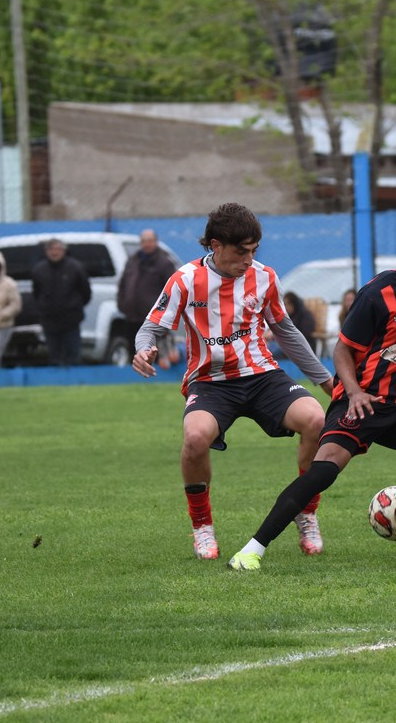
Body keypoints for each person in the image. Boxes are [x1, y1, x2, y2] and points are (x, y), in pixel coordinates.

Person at [227, 216, 396, 572]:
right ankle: (250, 551)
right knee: (322, 472)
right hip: (361, 404)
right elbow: (342, 349)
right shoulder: (378, 294)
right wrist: (354, 394)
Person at [131, 202, 335, 561]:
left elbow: (286, 332)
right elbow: (151, 327)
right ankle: (202, 527)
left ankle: (306, 513)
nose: (248, 260)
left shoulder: (264, 277)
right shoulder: (185, 280)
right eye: (241, 252)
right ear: (215, 245)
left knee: (316, 420)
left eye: (254, 251)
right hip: (210, 382)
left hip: (262, 376)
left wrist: (326, 382)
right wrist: (143, 349)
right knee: (195, 438)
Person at [118, 228, 180, 369]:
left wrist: (164, 311)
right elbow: (123, 285)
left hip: (153, 317)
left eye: (150, 241)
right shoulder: (133, 261)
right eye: (144, 241)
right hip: (132, 316)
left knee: (155, 352)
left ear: (156, 242)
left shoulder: (164, 263)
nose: (147, 244)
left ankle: (159, 373)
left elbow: (172, 289)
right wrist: (122, 304)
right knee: (133, 350)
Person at [31, 238, 91, 366]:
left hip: (71, 321)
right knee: (54, 356)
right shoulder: (39, 270)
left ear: (64, 251)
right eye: (51, 249)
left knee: (73, 355)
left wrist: (74, 307)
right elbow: (36, 293)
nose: (54, 252)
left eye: (57, 249)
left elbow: (85, 292)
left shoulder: (76, 268)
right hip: (49, 321)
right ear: (46, 251)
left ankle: (74, 377)